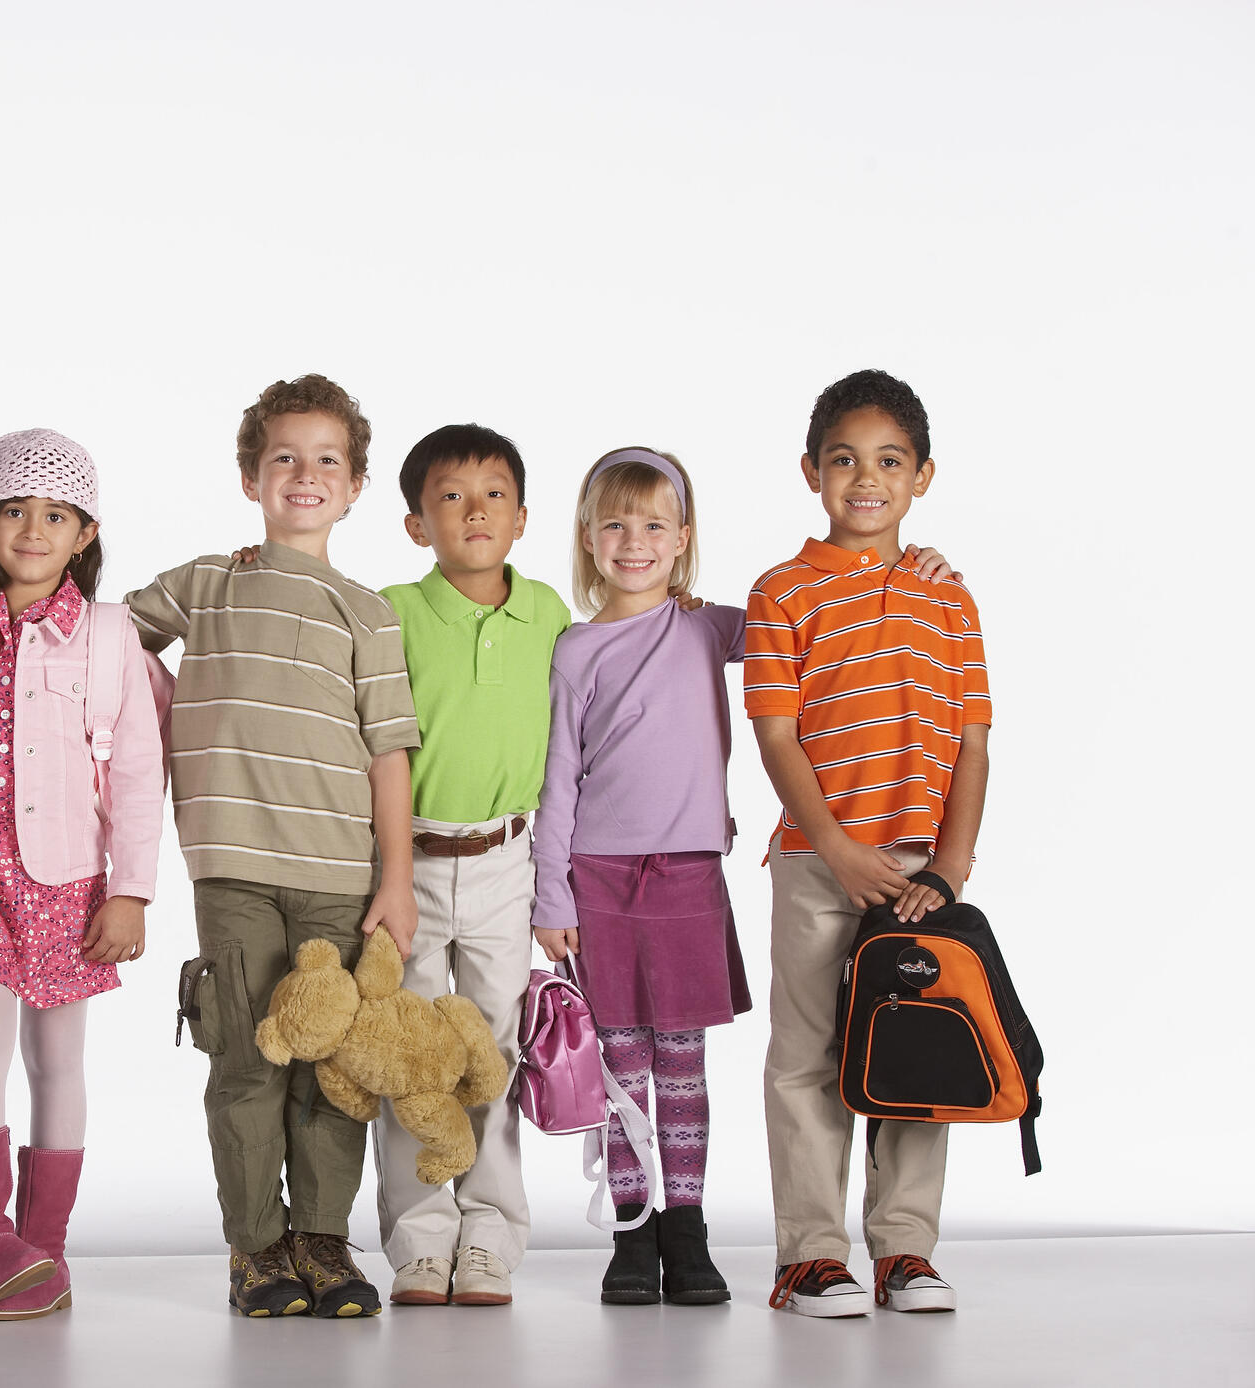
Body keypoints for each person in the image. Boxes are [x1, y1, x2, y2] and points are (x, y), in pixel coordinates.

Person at [128, 374, 422, 1320]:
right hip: (233, 869)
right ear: (252, 475)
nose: (305, 474)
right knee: (248, 1060)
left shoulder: (367, 611)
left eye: (327, 460)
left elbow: (388, 753)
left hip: (340, 875)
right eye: (284, 458)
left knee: (332, 1070)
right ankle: (256, 1247)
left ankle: (324, 1241)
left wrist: (400, 882)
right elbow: (97, 643)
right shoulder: (205, 582)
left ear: (356, 485)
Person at [0, 429, 168, 1321]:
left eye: (55, 515)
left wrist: (131, 889)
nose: (32, 529)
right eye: (13, 510)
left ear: (84, 533)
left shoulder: (107, 632)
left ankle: (42, 1252)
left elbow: (136, 768)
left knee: (58, 1059)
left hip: (65, 879)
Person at [749, 370, 992, 1318]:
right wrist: (839, 848)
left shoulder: (950, 599)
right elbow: (776, 737)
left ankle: (905, 1250)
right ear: (812, 471)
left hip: (924, 870)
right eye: (844, 459)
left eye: (889, 461)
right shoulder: (783, 594)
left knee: (915, 1051)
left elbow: (972, 738)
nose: (866, 478)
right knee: (807, 1054)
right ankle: (810, 1256)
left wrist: (952, 865)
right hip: (818, 863)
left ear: (922, 475)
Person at [529, 447, 752, 1309]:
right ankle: (631, 1231)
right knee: (620, 1064)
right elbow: (558, 779)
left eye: (655, 524)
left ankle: (687, 1228)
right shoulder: (576, 649)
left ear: (684, 537)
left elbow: (798, 621)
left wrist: (913, 563)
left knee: (683, 1062)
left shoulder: (707, 627)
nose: (635, 541)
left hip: (690, 873)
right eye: (615, 524)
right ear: (588, 539)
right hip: (599, 880)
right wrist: (554, 896)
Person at [371, 425, 569, 1309]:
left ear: (522, 518)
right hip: (407, 859)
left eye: (494, 494)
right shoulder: (391, 612)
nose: (475, 510)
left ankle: (489, 1238)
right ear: (419, 523)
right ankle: (419, 1240)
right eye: (451, 495)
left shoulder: (552, 616)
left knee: (493, 1051)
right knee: (411, 1055)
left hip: (507, 860)